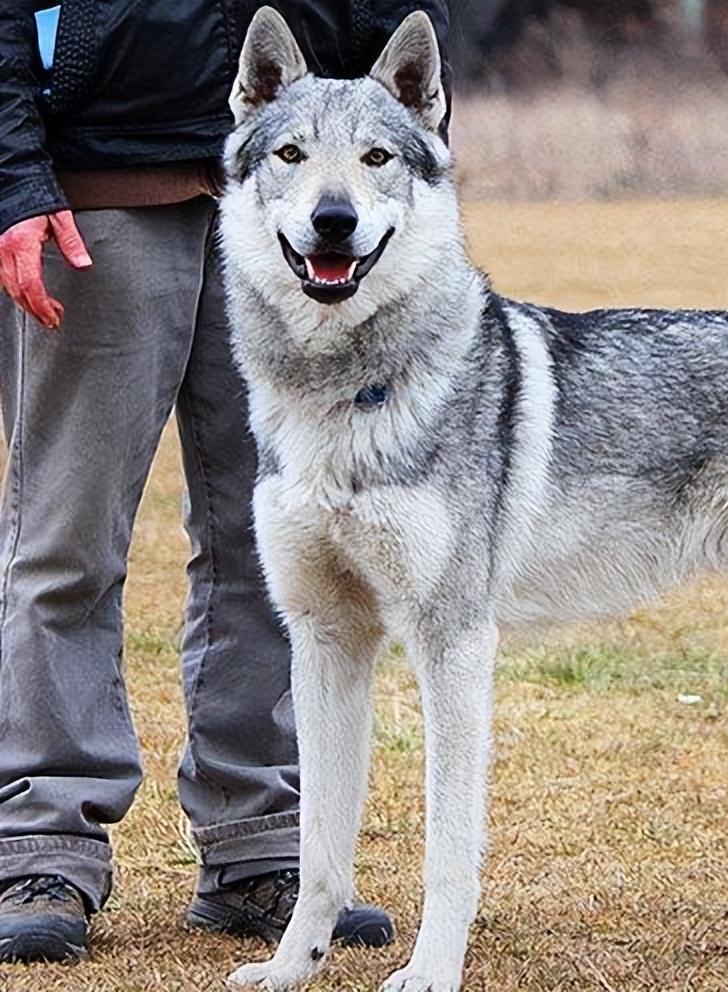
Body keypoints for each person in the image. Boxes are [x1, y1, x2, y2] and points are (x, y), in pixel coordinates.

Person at [0, 0, 451, 965]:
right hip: (101, 179)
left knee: (275, 543)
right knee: (66, 540)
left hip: (304, 190)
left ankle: (258, 842)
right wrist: (14, 178)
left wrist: (396, 154)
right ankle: (44, 841)